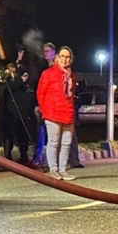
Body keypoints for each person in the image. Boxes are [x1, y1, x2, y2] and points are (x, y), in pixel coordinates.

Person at [36, 46, 78, 181]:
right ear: (57, 58)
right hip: (52, 113)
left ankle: (63, 169)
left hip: (68, 113)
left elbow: (72, 95)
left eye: (67, 57)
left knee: (66, 143)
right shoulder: (48, 73)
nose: (64, 59)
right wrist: (44, 109)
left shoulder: (71, 76)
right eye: (62, 56)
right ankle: (53, 169)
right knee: (54, 142)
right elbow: (40, 93)